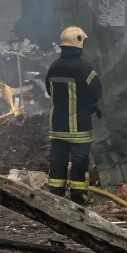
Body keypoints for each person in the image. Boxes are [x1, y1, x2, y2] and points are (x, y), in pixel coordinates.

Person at [45, 26, 102, 204]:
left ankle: (55, 195)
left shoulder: (53, 67)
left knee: (58, 161)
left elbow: (50, 90)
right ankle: (78, 198)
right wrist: (89, 105)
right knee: (79, 162)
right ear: (79, 45)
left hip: (57, 127)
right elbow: (96, 93)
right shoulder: (84, 68)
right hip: (79, 128)